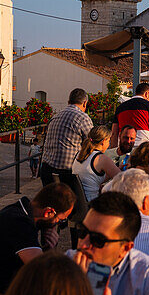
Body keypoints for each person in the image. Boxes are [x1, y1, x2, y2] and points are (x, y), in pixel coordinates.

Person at [40, 89, 94, 232]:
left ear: (68, 101)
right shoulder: (83, 118)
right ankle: (76, 247)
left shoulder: (55, 116)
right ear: (85, 103)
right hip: (67, 172)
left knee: (52, 210)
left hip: (46, 170)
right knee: (80, 212)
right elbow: (92, 144)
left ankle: (50, 246)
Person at [73, 126, 121, 203]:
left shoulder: (79, 154)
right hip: (93, 203)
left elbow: (91, 178)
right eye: (108, 141)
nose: (109, 144)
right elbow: (123, 179)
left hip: (79, 203)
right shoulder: (101, 158)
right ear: (103, 141)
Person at [113, 82, 149, 147]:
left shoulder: (120, 107)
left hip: (124, 144)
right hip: (143, 143)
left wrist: (113, 150)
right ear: (147, 94)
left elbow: (114, 133)